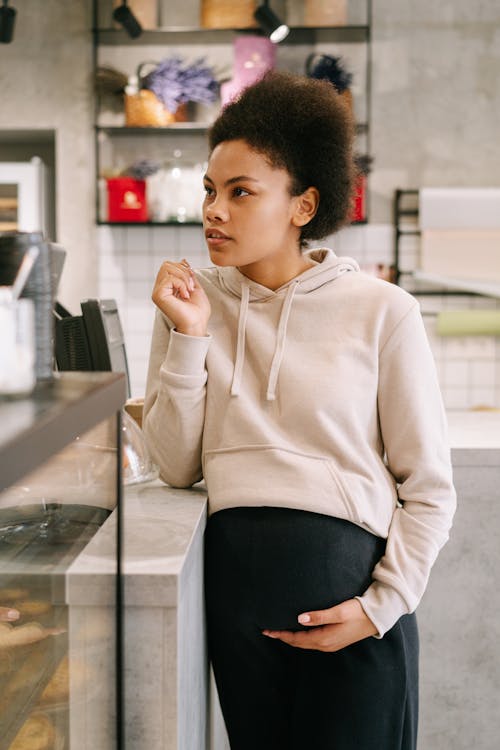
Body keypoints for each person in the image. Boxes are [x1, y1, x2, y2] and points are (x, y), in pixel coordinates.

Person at [143, 71, 456, 749]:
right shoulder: (189, 305)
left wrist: (382, 608)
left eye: (240, 192)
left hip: (355, 627)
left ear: (303, 206)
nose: (214, 211)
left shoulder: (382, 311)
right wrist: (190, 335)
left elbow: (429, 489)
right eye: (209, 190)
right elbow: (171, 465)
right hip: (239, 626)